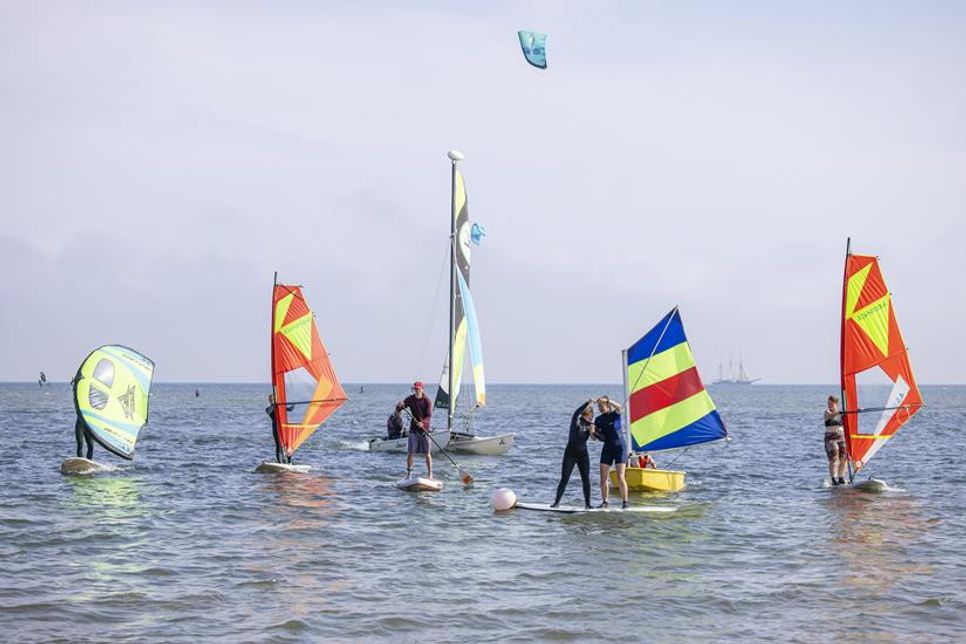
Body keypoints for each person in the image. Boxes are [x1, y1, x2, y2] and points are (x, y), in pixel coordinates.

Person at [552, 399, 597, 509]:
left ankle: (588, 504)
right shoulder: (576, 420)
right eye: (590, 414)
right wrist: (588, 402)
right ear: (588, 413)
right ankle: (556, 503)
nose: (591, 416)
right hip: (570, 454)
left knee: (586, 479)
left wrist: (592, 432)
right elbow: (577, 412)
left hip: (583, 454)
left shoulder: (591, 424)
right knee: (565, 478)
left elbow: (594, 438)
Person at [596, 396, 629, 508]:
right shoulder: (598, 420)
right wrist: (593, 432)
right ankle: (605, 502)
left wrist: (608, 400)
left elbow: (620, 407)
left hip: (620, 448)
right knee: (603, 478)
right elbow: (599, 437)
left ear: (607, 405)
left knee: (620, 477)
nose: (600, 408)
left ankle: (625, 502)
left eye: (602, 406)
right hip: (607, 448)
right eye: (599, 406)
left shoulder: (615, 414)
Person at [401, 381, 432, 479]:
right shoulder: (410, 399)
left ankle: (430, 474)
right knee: (410, 453)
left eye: (418, 389)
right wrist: (399, 405)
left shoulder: (427, 401)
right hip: (413, 430)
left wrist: (423, 423)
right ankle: (409, 474)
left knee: (427, 453)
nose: (417, 390)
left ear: (422, 389)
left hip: (425, 431)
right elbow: (401, 407)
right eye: (415, 389)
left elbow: (429, 415)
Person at [824, 395, 847, 485]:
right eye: (828, 403)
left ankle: (841, 478)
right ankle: (833, 479)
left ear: (836, 404)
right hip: (830, 438)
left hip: (841, 437)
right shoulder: (827, 412)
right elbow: (831, 415)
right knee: (834, 459)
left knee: (843, 458)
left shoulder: (841, 414)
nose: (829, 405)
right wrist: (839, 413)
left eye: (831, 404)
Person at [266, 394, 290, 464]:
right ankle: (279, 462)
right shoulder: (268, 408)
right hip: (276, 428)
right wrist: (274, 405)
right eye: (271, 400)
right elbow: (270, 411)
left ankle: (289, 462)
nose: (272, 400)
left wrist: (294, 403)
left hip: (283, 428)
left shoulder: (280, 407)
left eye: (273, 399)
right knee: (278, 445)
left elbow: (290, 409)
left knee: (287, 444)